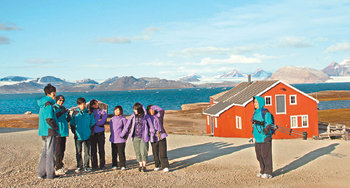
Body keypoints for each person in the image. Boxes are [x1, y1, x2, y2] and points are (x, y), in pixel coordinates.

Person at [120, 102, 154, 172]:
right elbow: (127, 125)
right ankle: (140, 164)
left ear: (139, 109)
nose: (134, 110)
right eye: (134, 109)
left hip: (144, 136)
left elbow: (151, 126)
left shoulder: (146, 116)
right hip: (135, 136)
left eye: (135, 109)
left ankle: (144, 165)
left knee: (144, 151)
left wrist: (152, 135)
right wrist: (122, 134)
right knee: (137, 151)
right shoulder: (133, 116)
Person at [37, 84, 59, 179]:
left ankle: (41, 173)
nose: (55, 96)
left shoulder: (42, 104)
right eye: (53, 94)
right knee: (50, 152)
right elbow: (49, 119)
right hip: (49, 130)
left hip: (43, 130)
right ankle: (50, 174)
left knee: (45, 151)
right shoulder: (49, 104)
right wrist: (56, 128)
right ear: (48, 94)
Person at [70, 97, 95, 173]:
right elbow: (72, 124)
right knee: (78, 152)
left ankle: (86, 166)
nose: (83, 105)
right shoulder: (75, 113)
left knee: (87, 152)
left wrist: (90, 132)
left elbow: (92, 123)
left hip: (87, 135)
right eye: (81, 104)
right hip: (78, 136)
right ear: (78, 105)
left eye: (84, 104)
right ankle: (79, 166)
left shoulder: (89, 112)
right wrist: (75, 133)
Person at [251, 96, 274, 179]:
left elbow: (269, 123)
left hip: (265, 137)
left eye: (256, 102)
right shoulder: (255, 113)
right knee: (259, 155)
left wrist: (266, 131)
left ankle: (268, 172)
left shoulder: (265, 112)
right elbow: (253, 125)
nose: (255, 104)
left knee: (266, 155)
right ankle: (262, 171)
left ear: (260, 103)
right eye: (254, 102)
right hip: (257, 138)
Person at [147, 105, 170, 172]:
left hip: (161, 136)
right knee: (155, 152)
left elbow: (162, 110)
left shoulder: (159, 116)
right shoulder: (147, 118)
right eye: (150, 109)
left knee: (163, 152)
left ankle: (165, 166)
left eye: (153, 109)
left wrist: (153, 106)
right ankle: (157, 165)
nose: (152, 111)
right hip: (153, 137)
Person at [53, 95, 71, 175]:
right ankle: (57, 167)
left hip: (64, 131)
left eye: (63, 100)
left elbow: (66, 119)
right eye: (60, 100)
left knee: (62, 149)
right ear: (56, 100)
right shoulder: (54, 108)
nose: (61, 102)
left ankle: (60, 164)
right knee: (58, 150)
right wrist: (61, 112)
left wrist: (68, 115)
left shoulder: (63, 108)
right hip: (58, 132)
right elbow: (54, 117)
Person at [89, 99, 107, 170]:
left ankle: (102, 164)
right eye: (94, 104)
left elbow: (103, 121)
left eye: (96, 103)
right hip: (92, 133)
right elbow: (90, 121)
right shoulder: (89, 112)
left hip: (100, 132)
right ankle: (94, 165)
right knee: (93, 150)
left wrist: (95, 122)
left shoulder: (102, 111)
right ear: (91, 105)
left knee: (101, 149)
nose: (96, 105)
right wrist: (97, 120)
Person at [109, 105, 127, 171]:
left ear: (121, 111)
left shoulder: (123, 119)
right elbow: (111, 129)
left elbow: (126, 128)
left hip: (121, 139)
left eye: (118, 110)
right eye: (116, 110)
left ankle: (122, 165)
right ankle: (114, 164)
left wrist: (122, 135)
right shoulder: (112, 119)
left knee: (121, 153)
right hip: (113, 139)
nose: (117, 111)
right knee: (114, 153)